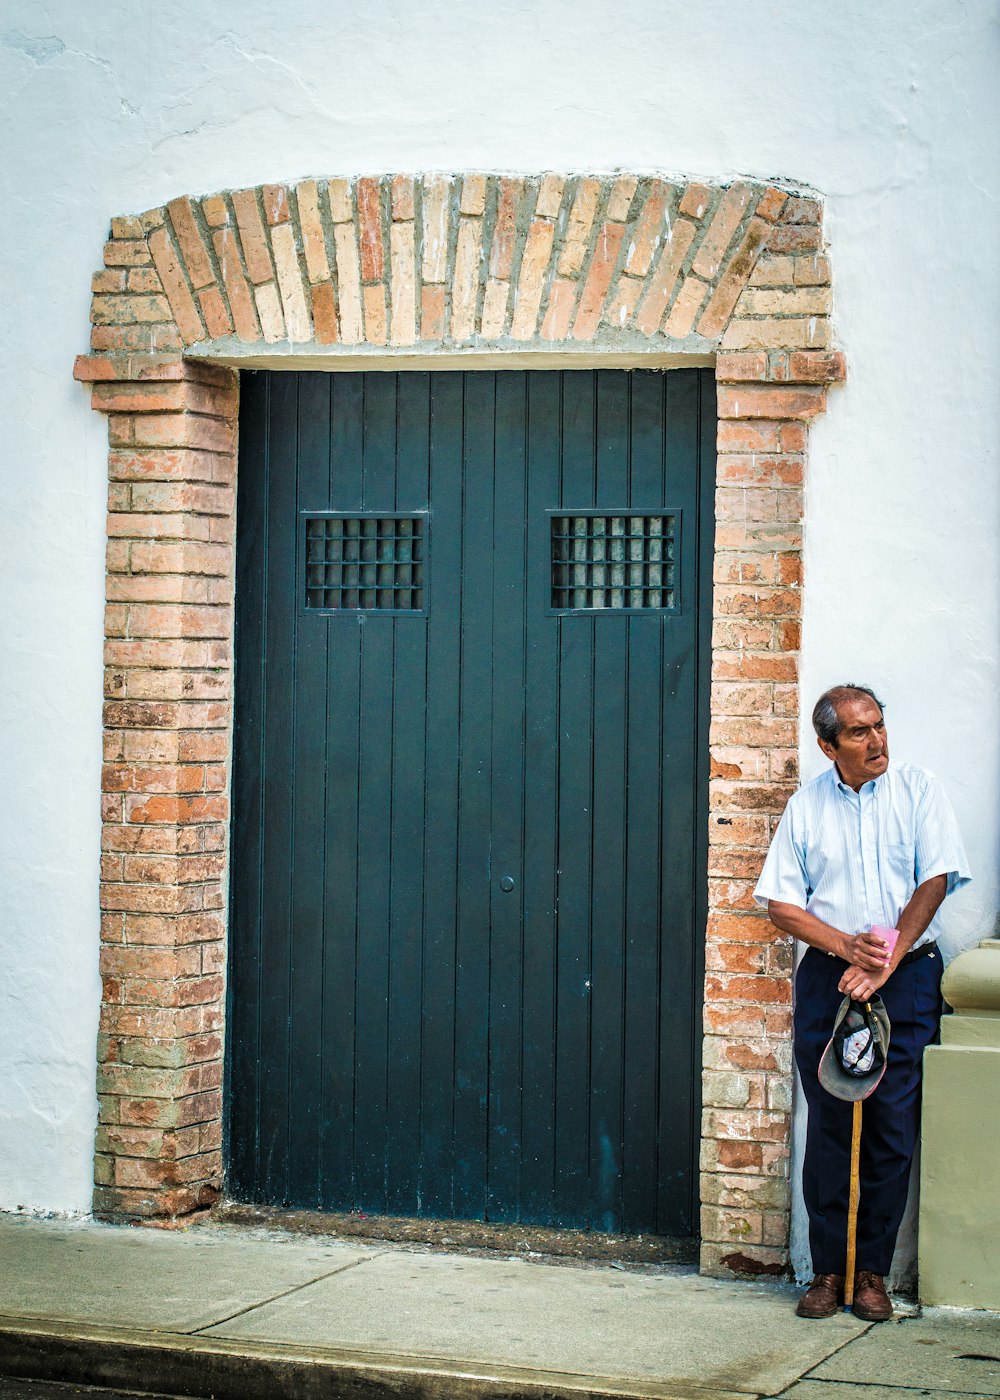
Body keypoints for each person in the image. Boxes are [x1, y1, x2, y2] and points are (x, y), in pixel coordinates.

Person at [753, 684, 970, 1321]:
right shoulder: (807, 806)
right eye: (857, 733)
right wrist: (848, 950)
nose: (876, 741)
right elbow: (782, 904)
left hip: (904, 977)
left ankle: (871, 1272)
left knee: (890, 1128)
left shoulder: (919, 788)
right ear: (828, 746)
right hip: (831, 977)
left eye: (878, 725)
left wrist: (885, 960)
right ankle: (827, 1273)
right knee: (828, 1124)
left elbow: (936, 878)